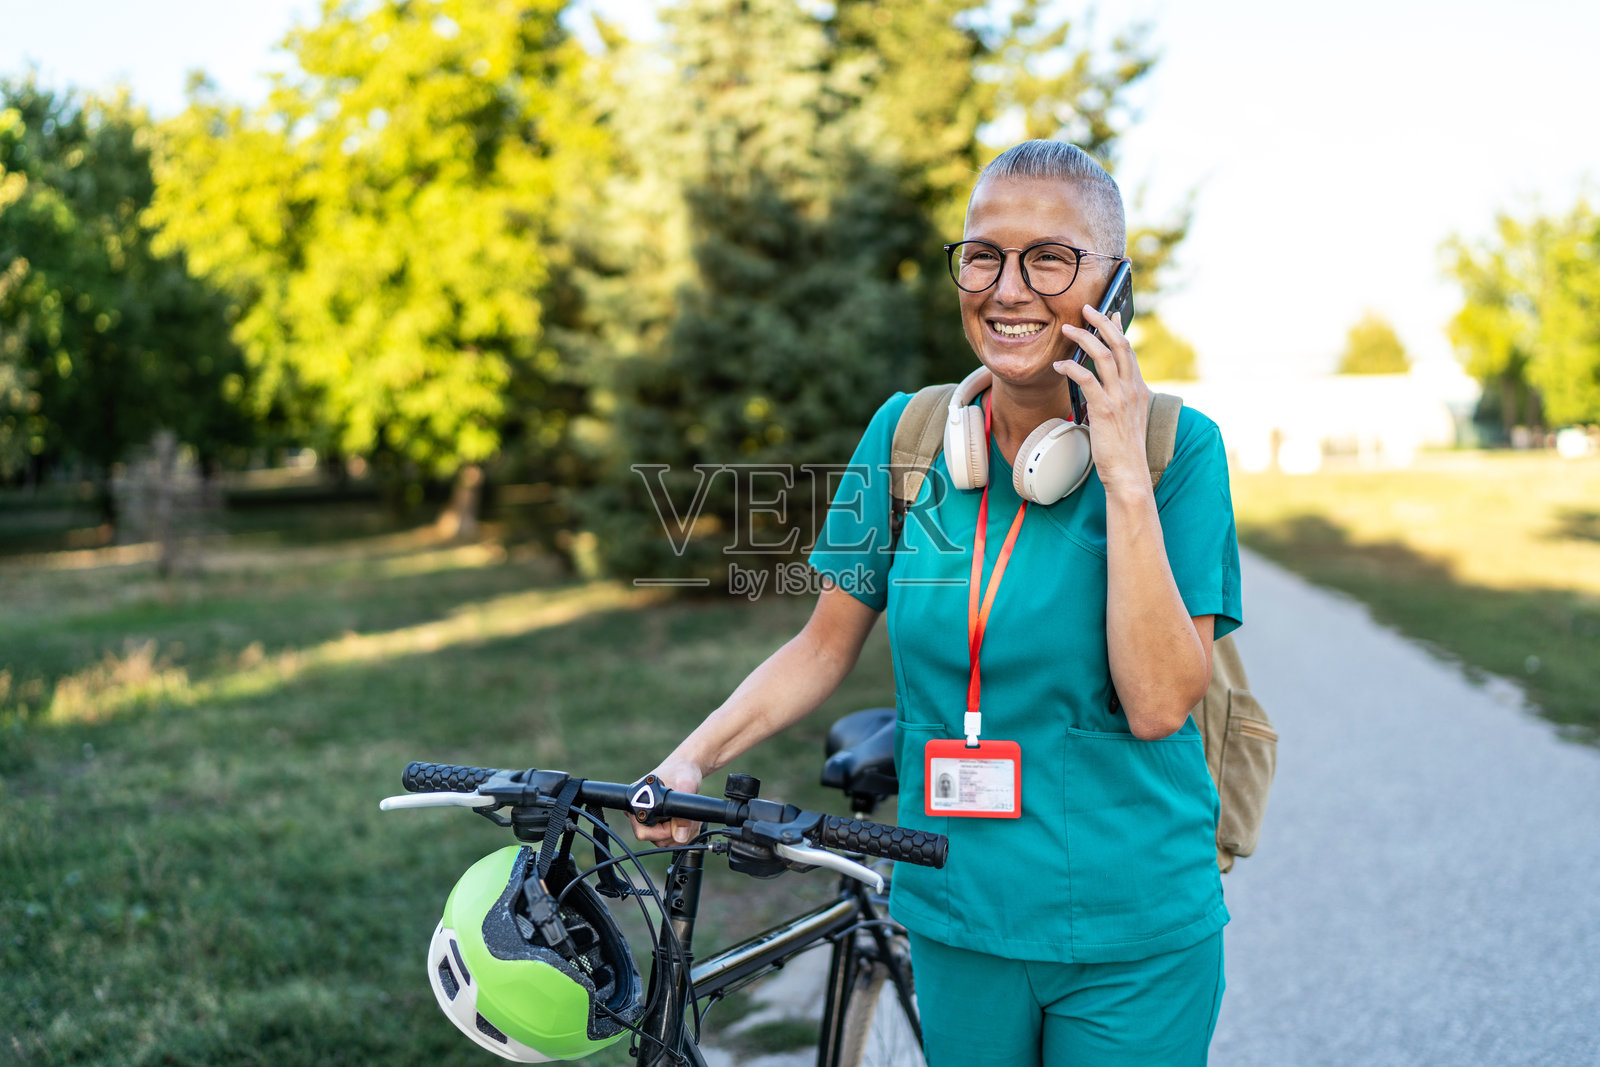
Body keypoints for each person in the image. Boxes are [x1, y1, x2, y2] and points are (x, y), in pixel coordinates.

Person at [631, 139, 1242, 1066]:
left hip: (1132, 930)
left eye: (1051, 258)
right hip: (957, 908)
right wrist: (692, 756)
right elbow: (822, 646)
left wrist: (1120, 472)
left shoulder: (1176, 452)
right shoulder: (911, 436)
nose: (1007, 287)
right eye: (984, 253)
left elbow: (1162, 701)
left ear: (1116, 285)